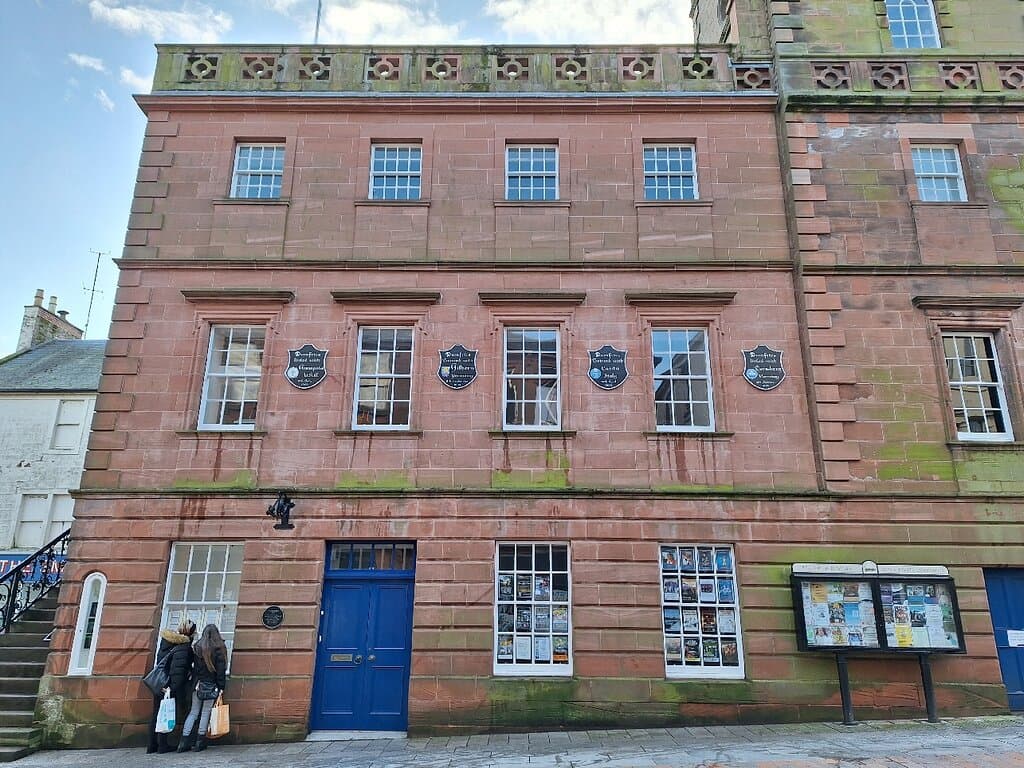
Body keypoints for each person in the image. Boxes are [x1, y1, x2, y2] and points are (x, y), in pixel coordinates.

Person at [147, 619, 196, 754]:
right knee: (166, 714)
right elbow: (177, 670)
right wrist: (172, 688)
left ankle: (152, 745)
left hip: (158, 683)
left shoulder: (166, 643)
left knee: (157, 713)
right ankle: (162, 746)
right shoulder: (184, 647)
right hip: (169, 686)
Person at [178, 623, 228, 752]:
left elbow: (192, 667)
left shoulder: (197, 647)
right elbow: (221, 671)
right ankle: (200, 742)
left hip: (197, 684)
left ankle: (183, 742)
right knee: (205, 713)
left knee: (193, 713)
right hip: (211, 685)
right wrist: (221, 686)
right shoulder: (219, 649)